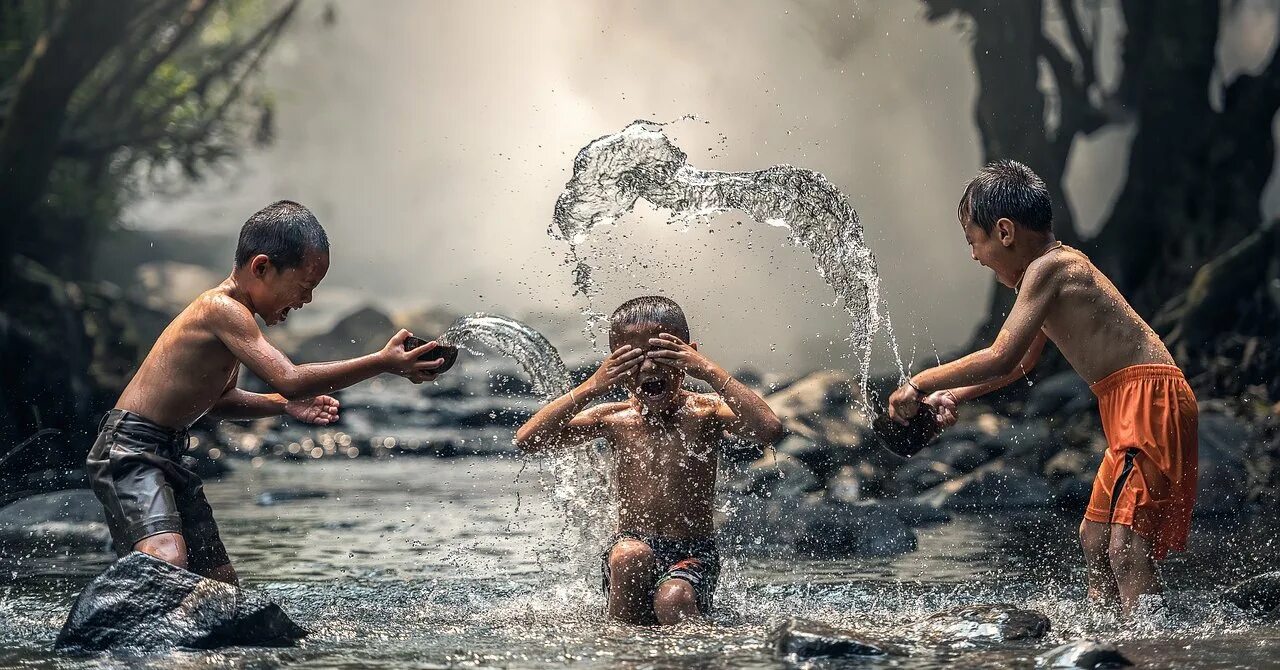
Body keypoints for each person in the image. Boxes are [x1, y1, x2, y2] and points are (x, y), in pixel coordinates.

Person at [888, 160, 1198, 614]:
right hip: (1129, 401)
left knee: (1127, 546)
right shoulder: (1046, 275)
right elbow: (1019, 366)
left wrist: (917, 383)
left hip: (1149, 400)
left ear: (1005, 232)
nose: (974, 255)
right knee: (1095, 538)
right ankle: (1107, 638)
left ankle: (1148, 650)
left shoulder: (1051, 268)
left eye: (973, 240)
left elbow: (1001, 355)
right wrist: (954, 395)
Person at [87, 200, 447, 585]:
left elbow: (221, 401)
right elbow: (289, 377)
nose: (306, 300)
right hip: (131, 449)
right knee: (168, 558)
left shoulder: (236, 321)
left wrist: (283, 406)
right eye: (304, 286)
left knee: (219, 583)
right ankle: (109, 627)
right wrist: (382, 361)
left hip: (169, 452)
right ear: (262, 267)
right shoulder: (220, 309)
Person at [515, 296, 784, 624]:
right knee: (631, 555)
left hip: (692, 554)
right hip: (627, 550)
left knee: (673, 599)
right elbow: (528, 440)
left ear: (688, 355)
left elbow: (768, 429)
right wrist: (591, 386)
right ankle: (621, 650)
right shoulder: (614, 418)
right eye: (632, 359)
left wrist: (710, 370)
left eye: (662, 354)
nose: (649, 368)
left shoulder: (706, 412)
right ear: (613, 364)